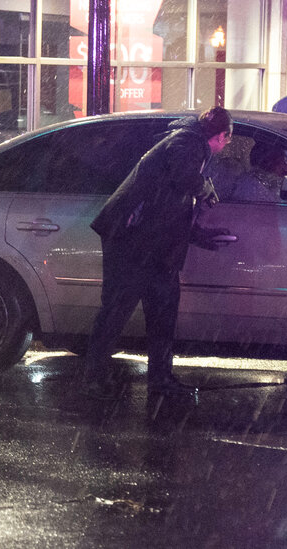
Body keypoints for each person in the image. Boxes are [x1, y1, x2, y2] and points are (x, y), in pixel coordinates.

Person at [83, 106, 234, 401]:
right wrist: (203, 187)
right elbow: (180, 176)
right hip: (132, 243)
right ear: (221, 135)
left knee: (160, 313)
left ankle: (159, 379)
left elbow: (170, 207)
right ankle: (96, 376)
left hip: (153, 246)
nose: (225, 147)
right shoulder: (188, 141)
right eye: (227, 140)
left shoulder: (189, 144)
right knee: (117, 311)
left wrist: (199, 235)